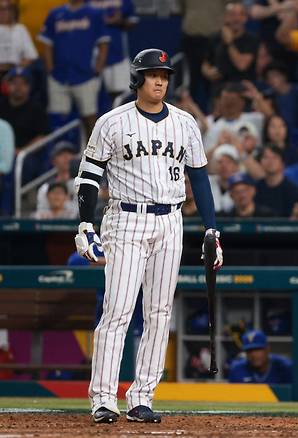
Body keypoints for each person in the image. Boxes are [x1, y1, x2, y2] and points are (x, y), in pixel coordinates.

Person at [73, 49, 223, 424]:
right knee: (119, 310)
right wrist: (85, 225)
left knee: (159, 313)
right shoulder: (112, 122)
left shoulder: (185, 122)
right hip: (126, 220)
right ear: (137, 79)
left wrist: (211, 228)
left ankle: (142, 397)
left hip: (171, 221)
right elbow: (89, 176)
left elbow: (200, 178)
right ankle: (104, 399)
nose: (160, 80)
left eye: (164, 75)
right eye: (152, 74)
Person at [37, 0, 110, 136]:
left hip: (85, 74)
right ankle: (60, 153)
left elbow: (103, 43)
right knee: (58, 118)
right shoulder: (56, 13)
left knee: (90, 117)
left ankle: (95, 153)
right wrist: (50, 69)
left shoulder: (94, 13)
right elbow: (47, 43)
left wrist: (98, 68)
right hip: (59, 75)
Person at [202, 2, 259, 96]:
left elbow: (241, 65)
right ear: (225, 17)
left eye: (241, 15)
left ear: (245, 18)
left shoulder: (251, 40)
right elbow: (205, 63)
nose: (236, 19)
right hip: (218, 90)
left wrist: (230, 43)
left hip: (242, 91)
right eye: (232, 14)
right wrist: (208, 72)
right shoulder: (214, 38)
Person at [89, 0, 138, 101]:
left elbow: (132, 21)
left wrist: (120, 21)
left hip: (117, 52)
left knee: (120, 95)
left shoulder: (124, 1)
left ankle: (118, 116)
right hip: (91, 52)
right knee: (88, 96)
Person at [228, 329, 293, 384]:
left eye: (257, 349)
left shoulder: (285, 367)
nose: (253, 354)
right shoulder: (237, 369)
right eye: (249, 350)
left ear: (267, 349)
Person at [254, 145, 298, 217]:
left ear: (283, 163)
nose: (270, 161)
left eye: (275, 157)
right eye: (265, 157)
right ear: (260, 162)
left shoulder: (293, 190)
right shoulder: (254, 189)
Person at [36, 141, 77, 215]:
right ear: (53, 161)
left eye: (70, 154)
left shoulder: (82, 184)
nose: (66, 157)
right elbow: (42, 216)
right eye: (61, 154)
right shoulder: (45, 188)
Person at [0, 0, 38, 75]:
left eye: (8, 8)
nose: (4, 12)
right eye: (1, 9)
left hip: (15, 73)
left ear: (13, 11)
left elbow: (31, 55)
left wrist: (16, 69)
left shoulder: (21, 29)